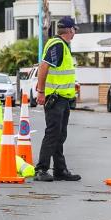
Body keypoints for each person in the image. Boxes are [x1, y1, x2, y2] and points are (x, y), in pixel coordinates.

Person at [33, 16, 82, 182]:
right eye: (74, 29)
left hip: (63, 98)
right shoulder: (58, 45)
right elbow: (44, 66)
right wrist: (41, 91)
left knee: (60, 135)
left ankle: (60, 170)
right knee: (53, 134)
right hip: (55, 97)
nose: (75, 32)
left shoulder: (63, 46)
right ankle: (41, 169)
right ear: (69, 30)